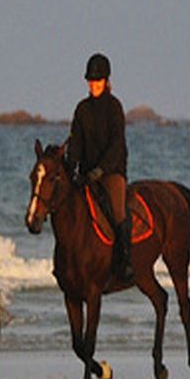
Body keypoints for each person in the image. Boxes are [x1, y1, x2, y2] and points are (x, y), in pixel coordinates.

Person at [67, 53, 133, 282]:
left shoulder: (115, 107)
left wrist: (101, 170)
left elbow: (117, 145)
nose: (93, 84)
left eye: (98, 80)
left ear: (106, 81)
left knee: (117, 211)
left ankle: (125, 263)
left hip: (112, 171)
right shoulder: (81, 109)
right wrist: (71, 168)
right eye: (90, 80)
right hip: (87, 175)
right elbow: (75, 143)